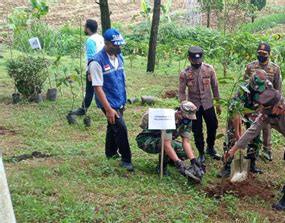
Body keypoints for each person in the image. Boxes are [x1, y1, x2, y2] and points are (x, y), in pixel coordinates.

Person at [224, 87, 285, 210]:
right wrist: (234, 149)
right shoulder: (267, 114)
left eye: (270, 110)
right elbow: (252, 131)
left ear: (279, 107)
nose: (266, 114)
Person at [89, 28, 133, 171]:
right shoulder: (96, 62)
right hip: (107, 101)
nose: (119, 47)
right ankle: (126, 159)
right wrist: (108, 109)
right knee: (121, 128)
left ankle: (111, 153)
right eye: (116, 45)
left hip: (119, 99)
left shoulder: (119, 57)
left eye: (120, 44)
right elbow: (97, 87)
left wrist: (123, 100)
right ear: (107, 44)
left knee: (112, 125)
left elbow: (122, 79)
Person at [136, 101, 205, 183]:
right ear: (179, 113)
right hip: (147, 140)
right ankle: (162, 167)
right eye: (186, 118)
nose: (188, 120)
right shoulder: (168, 119)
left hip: (164, 140)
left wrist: (193, 161)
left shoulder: (187, 121)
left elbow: (186, 142)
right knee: (170, 145)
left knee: (184, 153)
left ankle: (170, 159)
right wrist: (179, 164)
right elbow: (167, 145)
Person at [218, 70, 270, 178]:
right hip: (238, 110)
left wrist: (255, 113)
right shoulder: (243, 88)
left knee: (255, 135)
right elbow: (237, 112)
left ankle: (251, 163)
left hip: (255, 110)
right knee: (232, 135)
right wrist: (238, 134)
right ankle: (227, 165)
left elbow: (265, 106)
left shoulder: (268, 86)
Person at [179, 46, 221, 164]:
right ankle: (201, 152)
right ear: (189, 59)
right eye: (194, 60)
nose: (197, 62)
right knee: (197, 130)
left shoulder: (209, 70)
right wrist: (184, 106)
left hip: (208, 104)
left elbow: (215, 87)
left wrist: (218, 103)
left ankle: (210, 148)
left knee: (213, 126)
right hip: (194, 107)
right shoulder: (185, 73)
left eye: (199, 59)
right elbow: (181, 91)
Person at [243, 42, 282, 162]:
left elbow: (278, 87)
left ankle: (267, 150)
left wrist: (277, 103)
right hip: (253, 103)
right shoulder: (251, 67)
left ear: (269, 54)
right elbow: (244, 85)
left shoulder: (274, 69)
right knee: (252, 125)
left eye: (264, 53)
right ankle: (252, 150)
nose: (261, 55)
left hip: (268, 103)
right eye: (259, 53)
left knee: (267, 126)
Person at [71, 19, 105, 116]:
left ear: (88, 28)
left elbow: (91, 57)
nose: (84, 28)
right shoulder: (100, 38)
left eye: (85, 26)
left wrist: (90, 72)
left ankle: (83, 110)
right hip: (102, 67)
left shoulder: (90, 40)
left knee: (90, 91)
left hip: (93, 68)